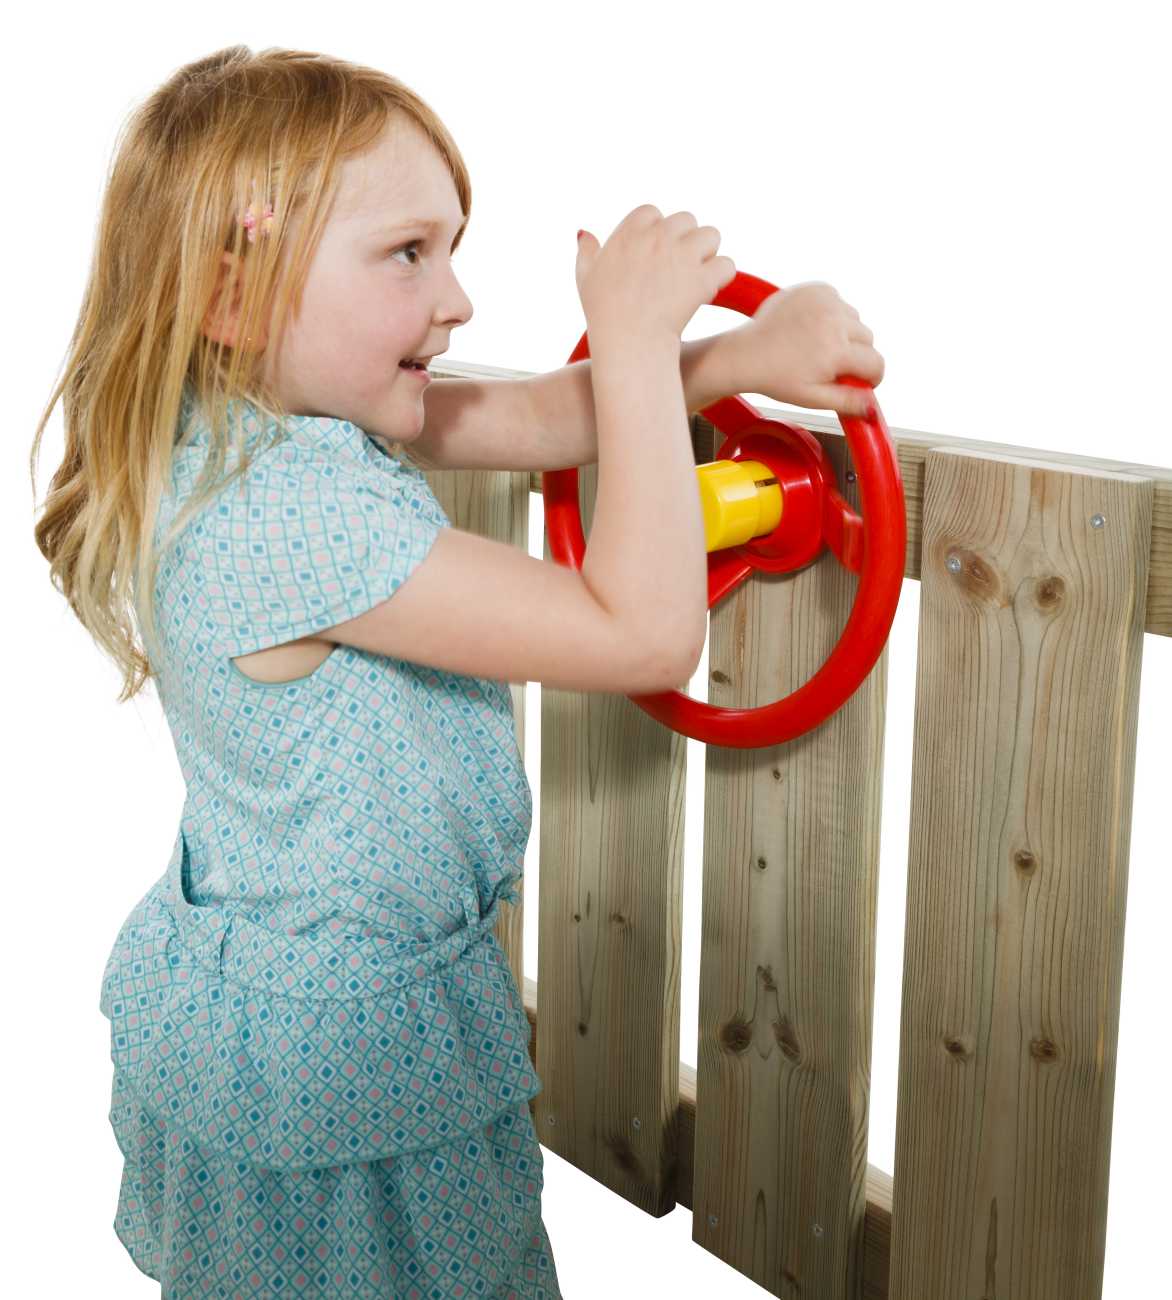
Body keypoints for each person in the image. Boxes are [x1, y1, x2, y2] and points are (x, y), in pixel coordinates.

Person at [30, 44, 883, 1300]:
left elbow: (537, 418)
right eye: (408, 253)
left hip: (277, 1017)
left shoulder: (251, 426)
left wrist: (731, 357)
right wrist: (639, 342)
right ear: (232, 294)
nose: (459, 298)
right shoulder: (292, 516)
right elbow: (640, 633)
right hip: (347, 1068)